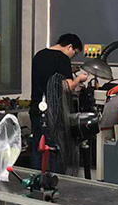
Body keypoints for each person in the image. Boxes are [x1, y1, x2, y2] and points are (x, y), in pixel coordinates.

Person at [30, 34, 88, 170]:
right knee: (55, 150)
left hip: (36, 107)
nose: (72, 57)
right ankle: (56, 180)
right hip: (53, 112)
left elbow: (47, 75)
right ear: (69, 47)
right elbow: (67, 86)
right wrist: (79, 79)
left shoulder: (39, 55)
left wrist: (68, 71)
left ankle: (36, 179)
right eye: (74, 53)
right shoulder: (62, 59)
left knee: (38, 148)